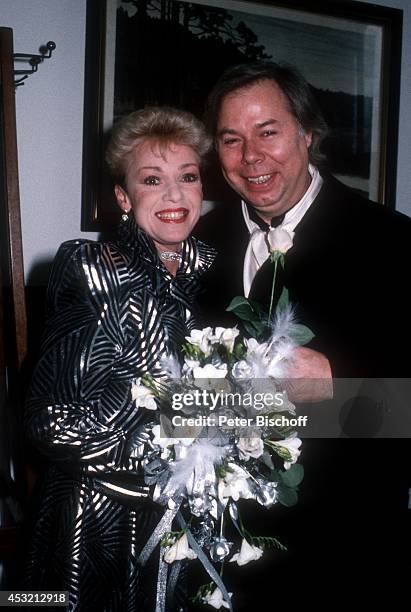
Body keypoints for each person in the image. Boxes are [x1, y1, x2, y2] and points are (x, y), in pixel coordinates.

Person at [196, 62, 411, 604]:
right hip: (215, 560)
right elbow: (174, 406)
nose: (251, 157)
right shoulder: (196, 242)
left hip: (343, 564)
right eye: (231, 139)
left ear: (307, 133)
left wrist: (339, 388)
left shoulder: (394, 243)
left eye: (268, 131)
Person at [23, 106, 215, 611]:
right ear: (124, 197)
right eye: (153, 180)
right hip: (92, 523)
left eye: (188, 177)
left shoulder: (211, 274)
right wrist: (160, 456)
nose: (174, 195)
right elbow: (50, 420)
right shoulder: (94, 271)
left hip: (182, 518)